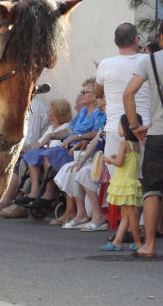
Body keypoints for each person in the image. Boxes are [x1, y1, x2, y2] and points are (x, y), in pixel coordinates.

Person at [16, 78, 105, 209]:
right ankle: (34, 191)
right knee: (33, 153)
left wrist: (77, 137)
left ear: (95, 96)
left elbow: (98, 133)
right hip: (68, 146)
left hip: (80, 150)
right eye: (82, 91)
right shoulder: (83, 112)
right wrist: (51, 135)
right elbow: (69, 130)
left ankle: (49, 192)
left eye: (86, 92)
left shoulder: (99, 113)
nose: (82, 95)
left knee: (51, 153)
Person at [123, 21, 163, 259]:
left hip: (157, 134)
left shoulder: (149, 61)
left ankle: (148, 244)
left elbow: (128, 94)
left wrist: (136, 126)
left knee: (152, 190)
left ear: (160, 37)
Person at [95, 23, 150, 177]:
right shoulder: (148, 60)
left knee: (120, 184)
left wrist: (101, 99)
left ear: (116, 42)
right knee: (146, 185)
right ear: (136, 40)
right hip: (145, 128)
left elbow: (98, 91)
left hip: (116, 129)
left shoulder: (105, 64)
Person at [53, 94, 107, 230]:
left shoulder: (111, 118)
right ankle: (81, 213)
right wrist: (81, 160)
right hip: (97, 158)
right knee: (71, 168)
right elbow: (96, 140)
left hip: (109, 161)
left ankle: (97, 216)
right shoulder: (106, 119)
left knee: (83, 172)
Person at [0, 96, 50, 218]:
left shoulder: (33, 107)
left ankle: (10, 198)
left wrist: (18, 148)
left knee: (20, 160)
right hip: (26, 147)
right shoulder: (16, 105)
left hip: (33, 148)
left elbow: (31, 137)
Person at [100, 114, 144, 250]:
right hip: (131, 182)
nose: (118, 127)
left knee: (131, 214)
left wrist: (110, 160)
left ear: (126, 128)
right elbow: (127, 160)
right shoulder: (137, 144)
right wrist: (117, 157)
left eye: (120, 124)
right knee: (126, 214)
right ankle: (117, 242)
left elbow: (119, 163)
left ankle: (138, 243)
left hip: (124, 183)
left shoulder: (124, 143)